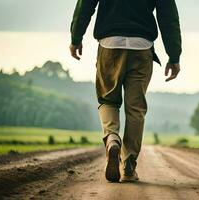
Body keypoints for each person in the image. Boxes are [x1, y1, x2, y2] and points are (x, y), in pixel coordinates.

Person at [69, 0, 182, 182]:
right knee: (136, 109)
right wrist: (174, 55)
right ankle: (129, 164)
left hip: (109, 44)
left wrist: (76, 38)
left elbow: (85, 5)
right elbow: (168, 17)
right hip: (142, 47)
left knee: (108, 100)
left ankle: (112, 137)